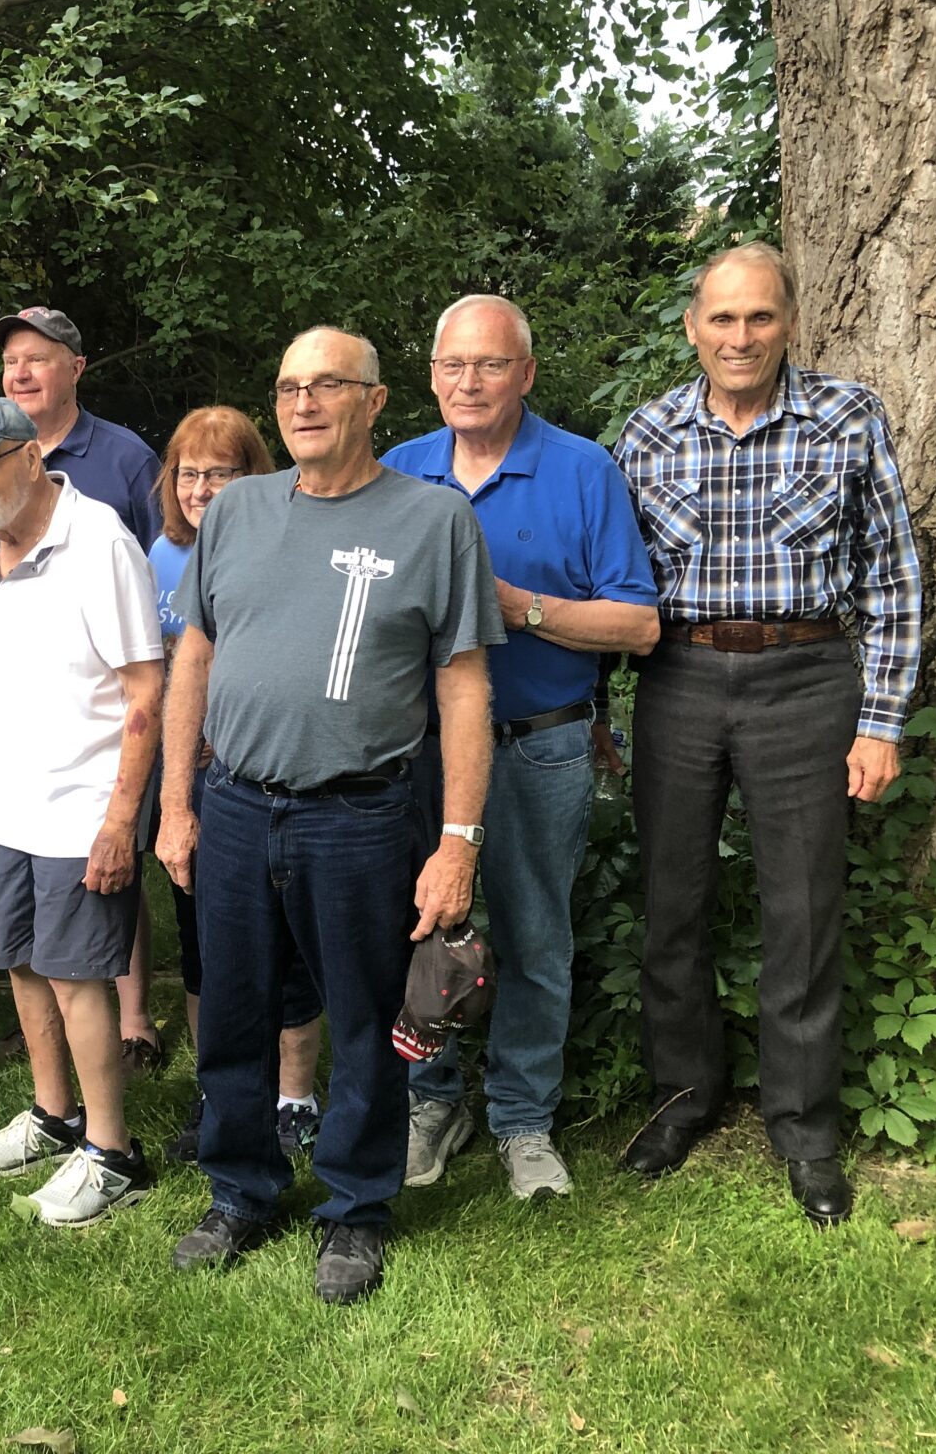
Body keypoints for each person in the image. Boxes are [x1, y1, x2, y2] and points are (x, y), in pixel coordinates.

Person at [157, 327, 500, 1304]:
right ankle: (241, 1190)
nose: (302, 403)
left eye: (325, 385)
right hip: (233, 806)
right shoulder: (235, 511)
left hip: (359, 816)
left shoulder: (432, 521)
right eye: (287, 387)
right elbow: (194, 655)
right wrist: (176, 802)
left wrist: (457, 842)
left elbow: (462, 687)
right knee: (233, 1012)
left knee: (362, 1020)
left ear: (374, 400)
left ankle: (355, 1207)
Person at [612, 241, 922, 1226]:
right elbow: (610, 583)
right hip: (677, 678)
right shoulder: (647, 433)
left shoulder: (846, 416)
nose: (738, 336)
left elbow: (893, 578)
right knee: (671, 900)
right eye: (721, 317)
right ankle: (680, 1099)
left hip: (805, 676)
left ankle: (803, 1127)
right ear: (691, 327)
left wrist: (879, 720)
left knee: (802, 909)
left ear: (788, 322)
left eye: (758, 317)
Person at [382, 296, 661, 1200]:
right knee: (420, 929)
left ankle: (522, 1119)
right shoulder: (399, 471)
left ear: (527, 374)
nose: (469, 381)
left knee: (537, 940)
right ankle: (431, 1103)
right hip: (419, 753)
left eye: (491, 364)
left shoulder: (583, 470)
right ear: (431, 375)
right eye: (453, 365)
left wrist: (516, 606)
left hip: (542, 746)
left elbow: (638, 624)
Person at [0, 396, 164, 1227]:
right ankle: (55, 1115)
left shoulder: (100, 543)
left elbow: (145, 688)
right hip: (10, 804)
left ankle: (112, 1153)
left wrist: (121, 820)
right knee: (20, 961)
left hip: (82, 807)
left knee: (76, 977)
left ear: (28, 457)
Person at [145, 409, 325, 1166]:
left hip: (266, 771)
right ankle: (221, 1093)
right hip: (188, 773)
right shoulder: (160, 554)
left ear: (253, 477)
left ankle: (293, 1099)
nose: (200, 489)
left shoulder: (285, 542)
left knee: (284, 944)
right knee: (204, 942)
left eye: (219, 473)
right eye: (188, 473)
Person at [0, 306, 165, 1070]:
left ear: (76, 368)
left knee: (110, 865)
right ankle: (56, 1049)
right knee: (45, 888)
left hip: (113, 704)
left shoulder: (125, 458)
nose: (21, 372)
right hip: (29, 729)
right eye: (11, 362)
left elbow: (167, 561)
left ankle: (134, 1019)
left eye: (37, 358)